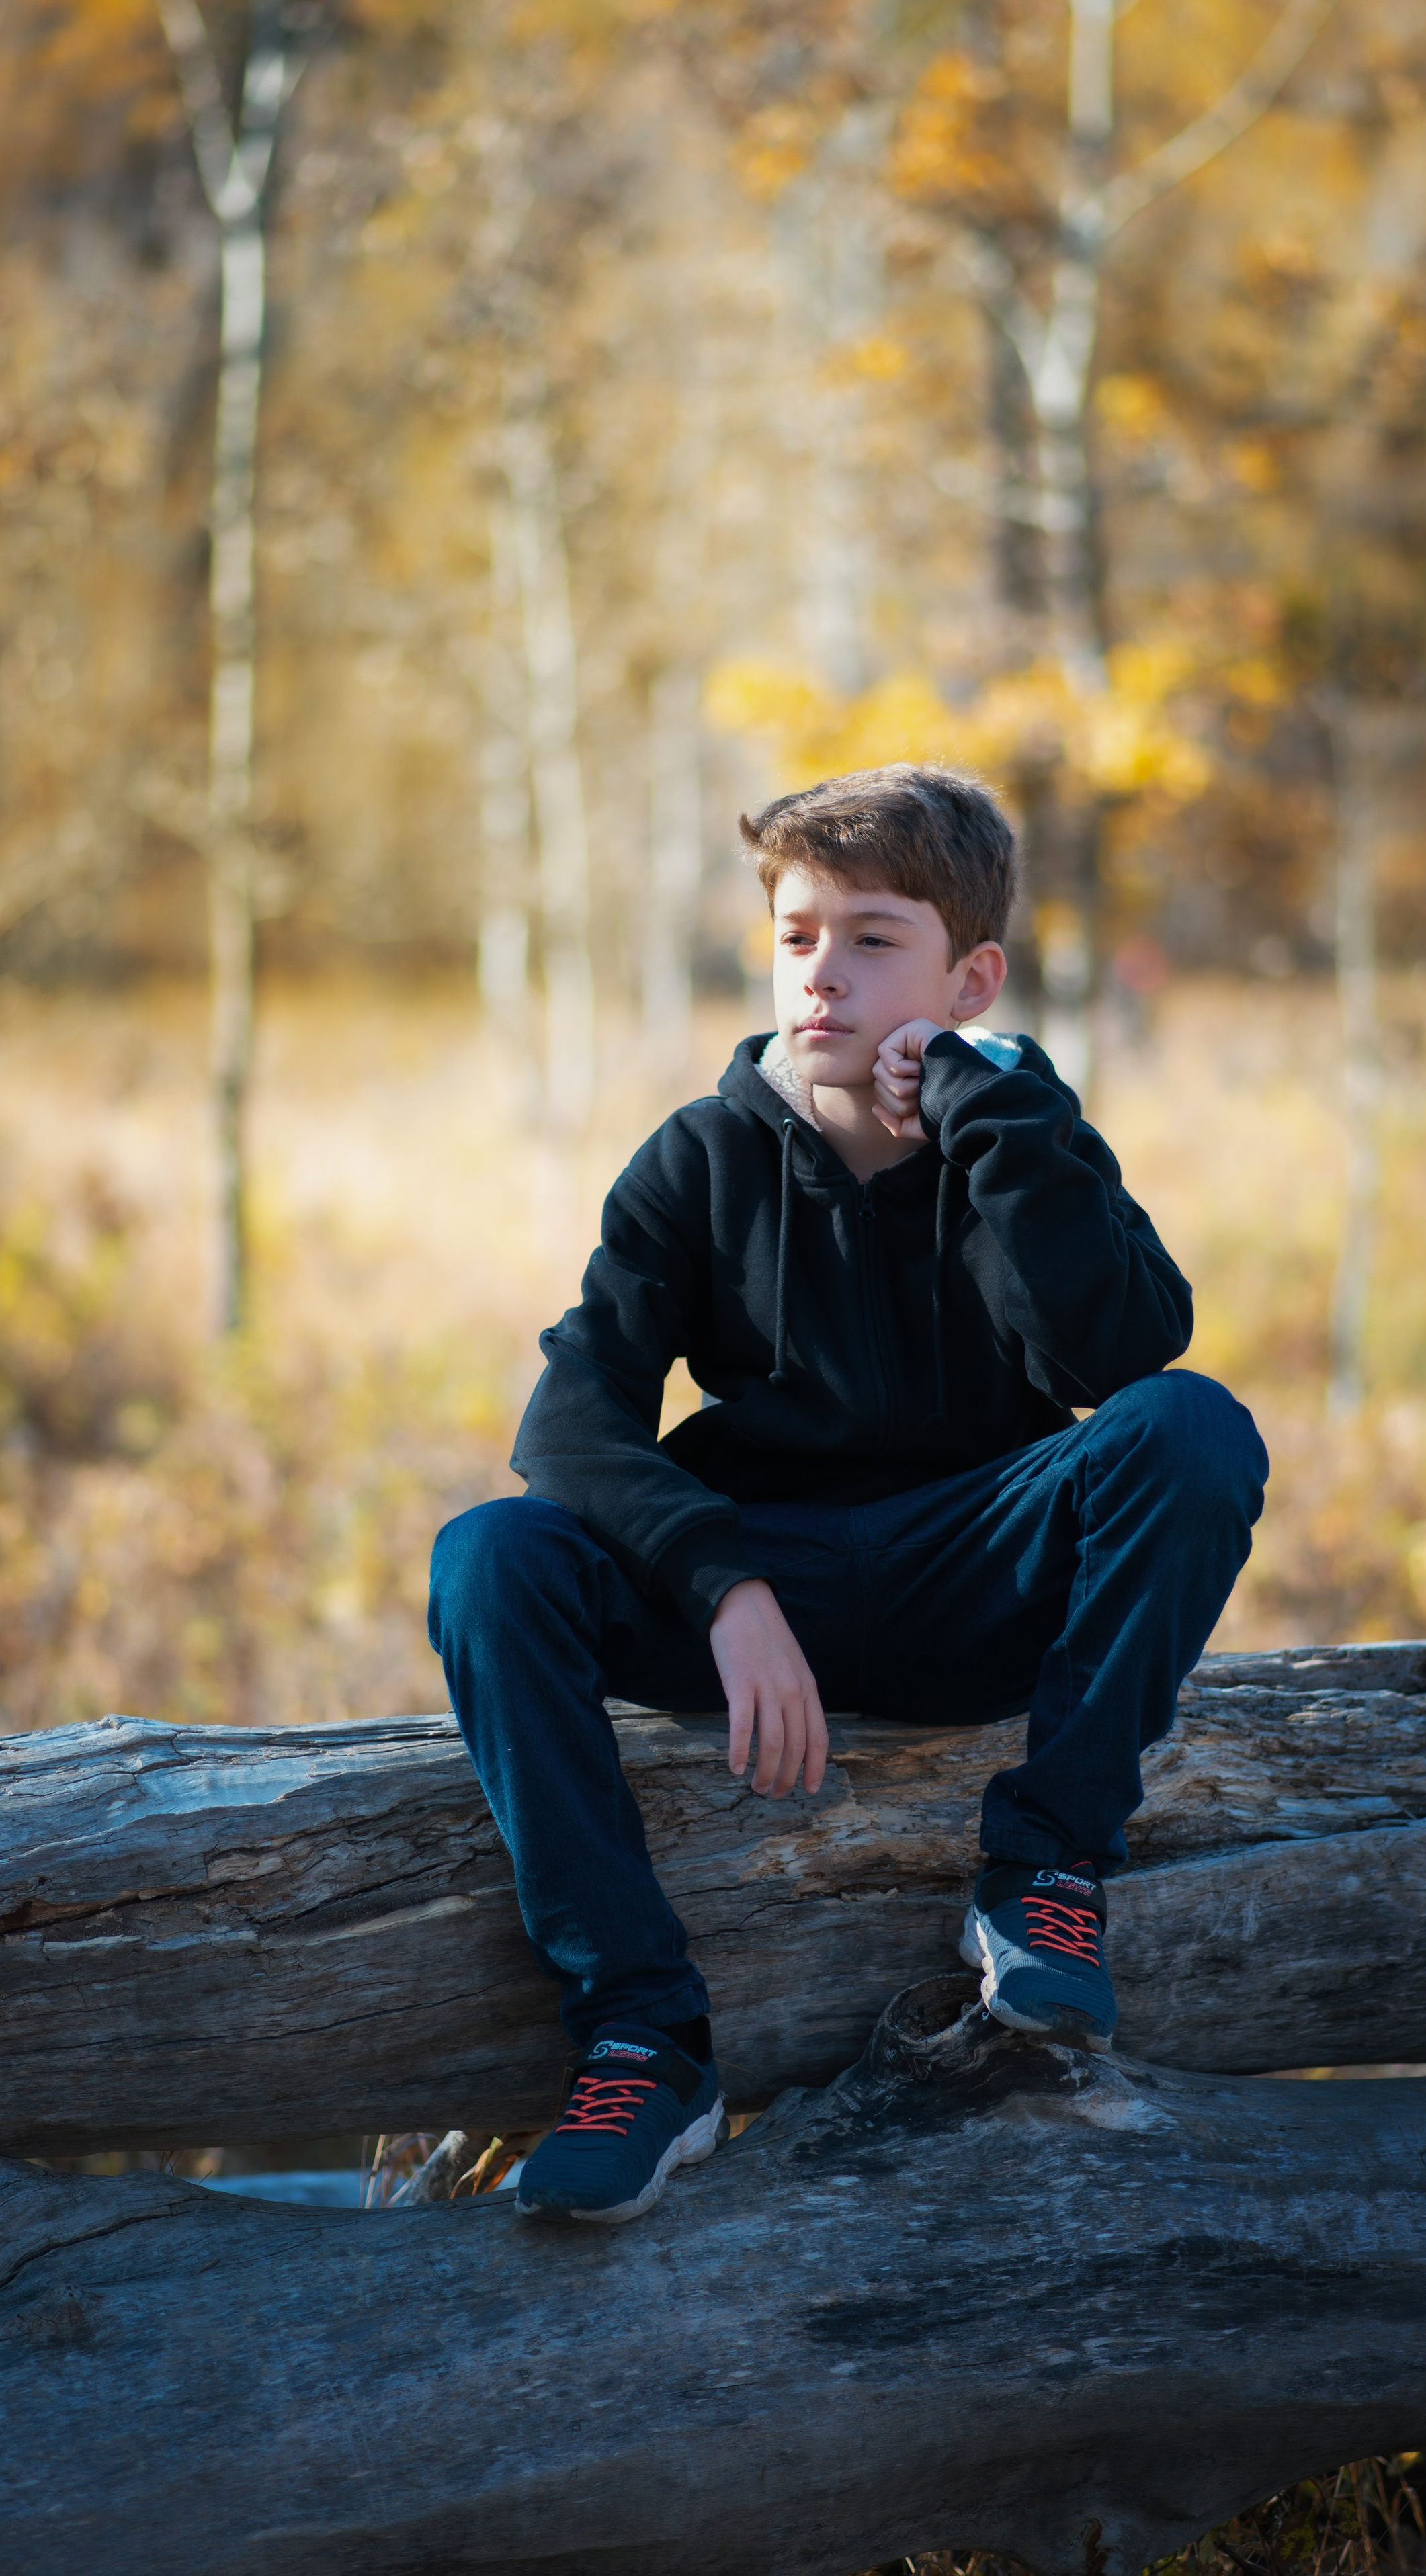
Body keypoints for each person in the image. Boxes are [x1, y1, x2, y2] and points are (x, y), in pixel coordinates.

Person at [429, 763, 1267, 2225]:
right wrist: (722, 1586)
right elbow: (572, 1420)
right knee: (490, 1559)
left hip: (974, 1574)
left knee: (1188, 1431)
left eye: (872, 938)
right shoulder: (698, 1157)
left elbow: (1123, 1350)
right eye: (797, 933)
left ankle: (1042, 1878)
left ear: (969, 974)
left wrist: (984, 1117)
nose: (822, 972)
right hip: (769, 1584)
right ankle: (641, 2036)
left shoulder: (1023, 1134)